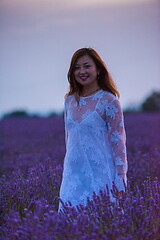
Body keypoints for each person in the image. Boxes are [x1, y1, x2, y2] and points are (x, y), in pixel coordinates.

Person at [58, 47, 128, 212]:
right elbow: (69, 141)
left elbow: (119, 145)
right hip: (72, 178)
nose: (81, 71)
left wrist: (120, 181)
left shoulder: (109, 101)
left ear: (98, 69)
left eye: (86, 66)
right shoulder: (69, 101)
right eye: (76, 67)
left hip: (100, 177)